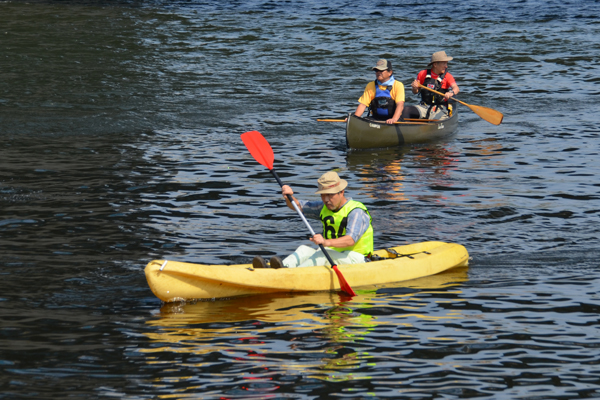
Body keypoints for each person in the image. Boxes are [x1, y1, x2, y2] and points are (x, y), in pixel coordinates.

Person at [252, 171, 374, 269]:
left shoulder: (356, 211)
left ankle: (289, 275)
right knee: (303, 250)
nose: (326, 200)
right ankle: (281, 268)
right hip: (332, 253)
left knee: (321, 255)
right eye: (323, 195)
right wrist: (288, 196)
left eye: (330, 195)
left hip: (357, 259)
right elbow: (298, 206)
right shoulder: (324, 207)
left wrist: (326, 242)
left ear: (341, 192)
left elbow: (350, 240)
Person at [402, 51, 460, 120]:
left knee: (436, 121)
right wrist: (414, 87)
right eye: (444, 63)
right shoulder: (422, 74)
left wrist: (451, 93)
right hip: (424, 107)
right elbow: (415, 92)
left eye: (446, 63)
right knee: (405, 111)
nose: (446, 66)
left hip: (440, 109)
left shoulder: (448, 76)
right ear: (435, 64)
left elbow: (456, 88)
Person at [354, 59, 405, 124]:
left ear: (390, 72)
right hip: (376, 118)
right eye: (376, 70)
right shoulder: (370, 85)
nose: (378, 72)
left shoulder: (398, 85)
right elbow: (363, 105)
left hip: (394, 119)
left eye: (381, 70)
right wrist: (354, 119)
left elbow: (400, 105)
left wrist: (394, 119)